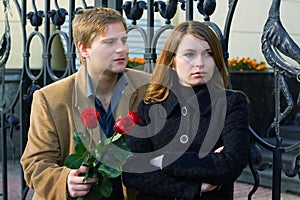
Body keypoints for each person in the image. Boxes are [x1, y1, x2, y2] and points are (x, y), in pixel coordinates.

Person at [21, 7, 150, 200]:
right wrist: (65, 180)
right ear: (84, 49)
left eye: (124, 40)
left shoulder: (148, 87)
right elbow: (35, 164)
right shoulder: (50, 99)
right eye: (110, 42)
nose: (121, 48)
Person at [122, 21, 251, 200]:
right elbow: (132, 172)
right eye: (189, 55)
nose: (200, 63)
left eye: (208, 54)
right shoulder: (149, 105)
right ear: (172, 61)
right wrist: (195, 187)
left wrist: (162, 160)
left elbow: (231, 164)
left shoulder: (231, 104)